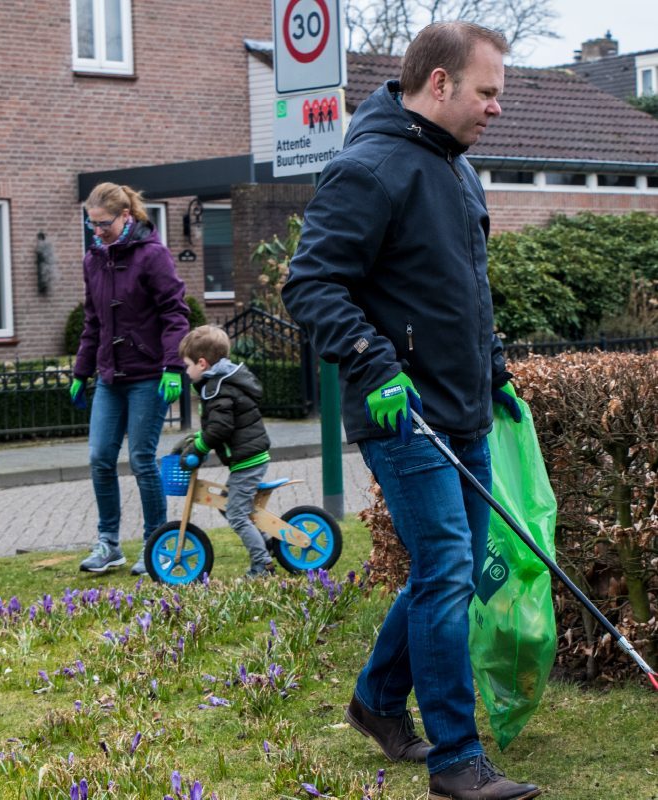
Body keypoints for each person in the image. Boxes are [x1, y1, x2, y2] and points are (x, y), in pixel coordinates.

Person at [281, 22, 539, 800]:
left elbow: (467, 289)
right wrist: (371, 363)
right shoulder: (371, 167)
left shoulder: (459, 171)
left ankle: (377, 700)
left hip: (462, 407)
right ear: (439, 84)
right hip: (403, 413)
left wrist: (494, 371)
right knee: (447, 568)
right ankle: (457, 761)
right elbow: (311, 284)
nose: (496, 107)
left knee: (444, 570)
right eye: (486, 92)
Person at [71, 182, 190, 576]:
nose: (97, 232)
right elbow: (93, 321)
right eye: (92, 225)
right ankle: (108, 544)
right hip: (110, 376)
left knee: (141, 459)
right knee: (100, 458)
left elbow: (175, 313)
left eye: (103, 224)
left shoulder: (153, 256)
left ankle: (155, 543)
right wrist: (81, 370)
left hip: (148, 375)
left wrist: (174, 367)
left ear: (126, 217)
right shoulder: (93, 260)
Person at [176, 325, 273, 578]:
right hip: (246, 458)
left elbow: (220, 428)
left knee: (236, 513)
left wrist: (199, 445)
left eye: (187, 365)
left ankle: (262, 565)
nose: (186, 372)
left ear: (202, 363)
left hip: (248, 460)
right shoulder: (218, 383)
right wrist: (197, 437)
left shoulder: (218, 388)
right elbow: (217, 426)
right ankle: (266, 542)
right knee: (226, 504)